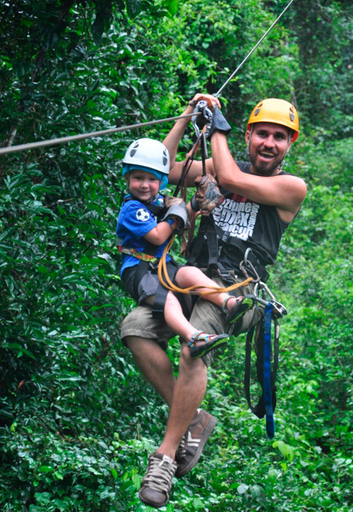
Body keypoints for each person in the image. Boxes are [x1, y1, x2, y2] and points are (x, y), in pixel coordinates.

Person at [121, 96, 307, 508]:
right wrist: (188, 117)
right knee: (135, 330)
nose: (270, 143)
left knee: (193, 347)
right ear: (249, 135)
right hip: (190, 276)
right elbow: (163, 171)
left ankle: (165, 458)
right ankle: (194, 418)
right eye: (263, 133)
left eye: (280, 137)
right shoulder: (220, 168)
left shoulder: (290, 188)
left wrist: (216, 125)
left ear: (289, 144)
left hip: (237, 291)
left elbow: (230, 177)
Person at [117, 137, 254, 359]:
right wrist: (176, 215)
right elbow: (159, 236)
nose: (144, 184)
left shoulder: (158, 201)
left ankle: (228, 303)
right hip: (139, 269)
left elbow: (181, 214)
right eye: (138, 178)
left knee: (190, 273)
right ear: (127, 178)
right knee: (168, 300)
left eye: (152, 179)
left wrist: (194, 203)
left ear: (161, 182)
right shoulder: (132, 208)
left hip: (161, 266)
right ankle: (194, 337)